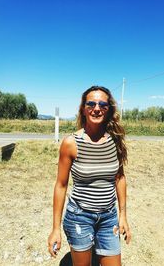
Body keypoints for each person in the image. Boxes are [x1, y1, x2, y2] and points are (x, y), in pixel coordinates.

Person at [48, 86, 131, 266]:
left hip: (109, 217)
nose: (97, 108)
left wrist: (123, 215)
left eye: (103, 104)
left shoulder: (115, 140)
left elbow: (120, 178)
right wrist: (55, 229)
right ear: (83, 109)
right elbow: (61, 185)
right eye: (91, 103)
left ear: (109, 110)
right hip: (79, 216)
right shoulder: (71, 143)